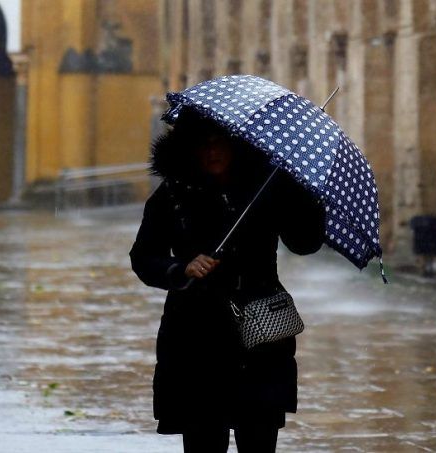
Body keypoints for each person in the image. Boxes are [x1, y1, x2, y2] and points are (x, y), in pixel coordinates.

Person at [129, 112, 325, 452]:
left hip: (261, 333)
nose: (211, 152)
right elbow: (144, 257)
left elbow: (304, 243)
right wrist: (182, 268)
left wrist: (305, 199)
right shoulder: (172, 195)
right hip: (195, 336)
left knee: (259, 436)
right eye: (202, 145)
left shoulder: (266, 187)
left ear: (236, 145)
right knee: (204, 437)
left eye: (219, 143)